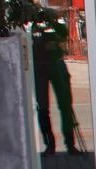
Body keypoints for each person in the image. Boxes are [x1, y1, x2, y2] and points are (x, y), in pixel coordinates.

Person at [32, 7, 81, 156]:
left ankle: (70, 143)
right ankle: (50, 145)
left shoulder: (52, 16)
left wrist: (53, 20)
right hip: (40, 65)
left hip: (56, 63)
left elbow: (64, 35)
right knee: (42, 107)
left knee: (65, 104)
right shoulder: (28, 18)